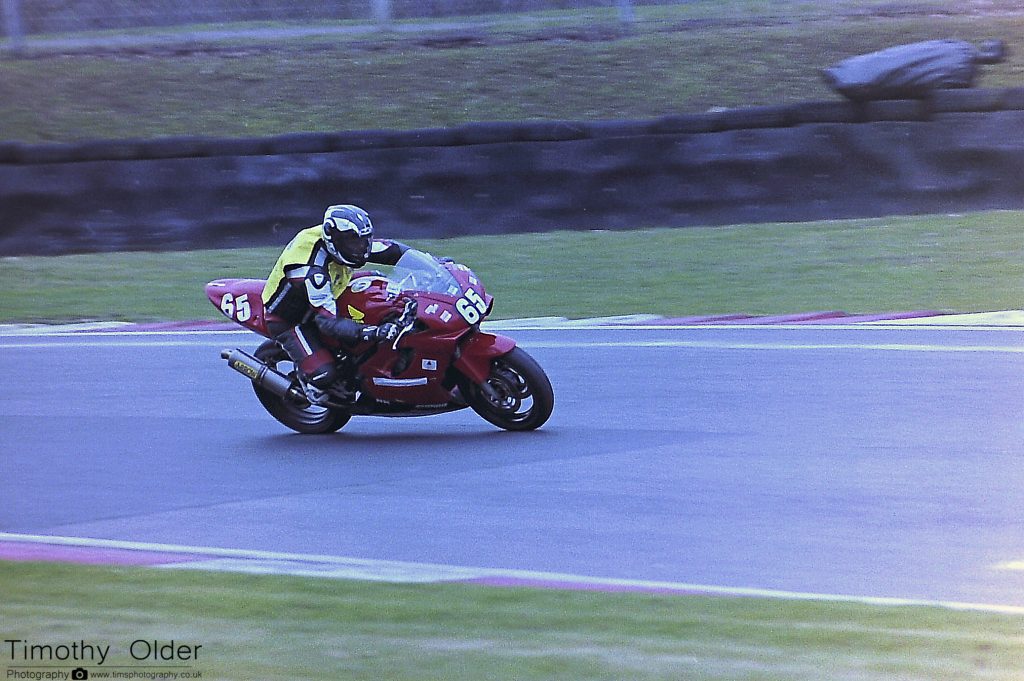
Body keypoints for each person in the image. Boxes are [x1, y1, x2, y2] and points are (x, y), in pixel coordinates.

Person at [261, 204, 410, 401]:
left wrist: (434, 263)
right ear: (334, 242)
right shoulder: (311, 271)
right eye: (354, 244)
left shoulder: (344, 239)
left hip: (333, 290)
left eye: (363, 241)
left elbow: (391, 250)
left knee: (385, 291)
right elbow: (327, 323)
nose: (361, 249)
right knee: (325, 375)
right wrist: (371, 332)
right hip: (292, 318)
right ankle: (309, 385)